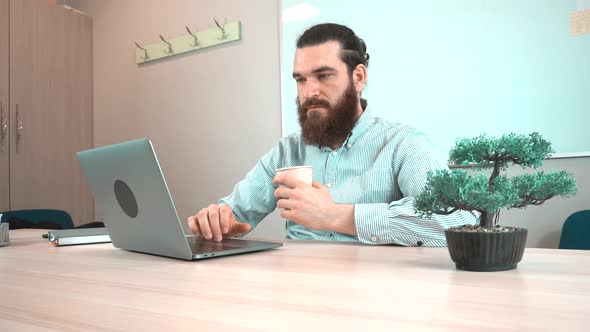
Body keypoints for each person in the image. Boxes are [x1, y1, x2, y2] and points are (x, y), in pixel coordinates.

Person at [187, 23, 478, 246]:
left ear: (359, 77)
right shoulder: (288, 150)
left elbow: (458, 221)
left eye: (324, 76)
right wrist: (221, 221)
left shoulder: (404, 144)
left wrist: (338, 216)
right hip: (297, 295)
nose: (309, 92)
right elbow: (235, 211)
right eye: (301, 80)